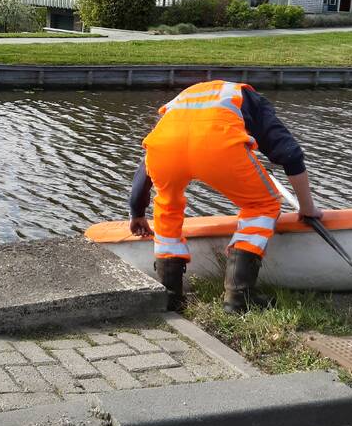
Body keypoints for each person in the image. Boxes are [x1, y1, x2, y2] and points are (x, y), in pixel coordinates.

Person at [128, 80, 321, 313]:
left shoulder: (183, 101)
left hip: (166, 149)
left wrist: (137, 212)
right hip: (215, 145)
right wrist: (307, 208)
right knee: (262, 204)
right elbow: (289, 153)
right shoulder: (250, 99)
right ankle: (238, 295)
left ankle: (170, 295)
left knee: (167, 206)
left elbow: (147, 165)